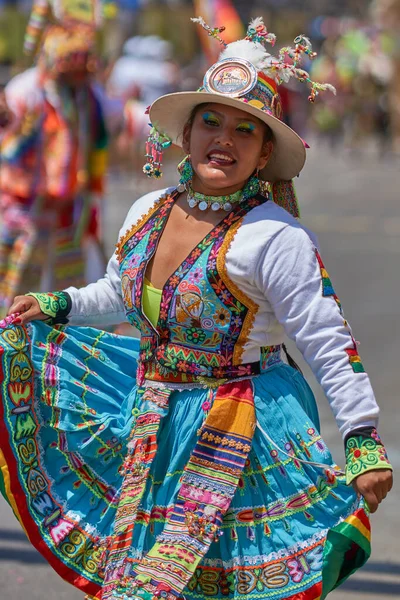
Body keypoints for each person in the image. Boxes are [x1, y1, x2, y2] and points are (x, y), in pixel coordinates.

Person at [0, 17, 393, 600]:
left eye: (245, 131)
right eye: (211, 121)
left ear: (263, 156)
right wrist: (56, 305)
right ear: (185, 133)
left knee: (183, 584)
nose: (224, 140)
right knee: (142, 576)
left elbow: (327, 338)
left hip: (239, 424)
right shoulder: (148, 210)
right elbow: (119, 291)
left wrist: (362, 439)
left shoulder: (272, 237)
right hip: (151, 416)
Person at [0, 5, 111, 316]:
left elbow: (112, 122)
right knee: (16, 281)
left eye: (83, 69)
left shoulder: (87, 96)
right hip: (26, 208)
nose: (79, 75)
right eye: (71, 68)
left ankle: (55, 346)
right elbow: (8, 145)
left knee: (67, 288)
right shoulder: (27, 91)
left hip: (68, 208)